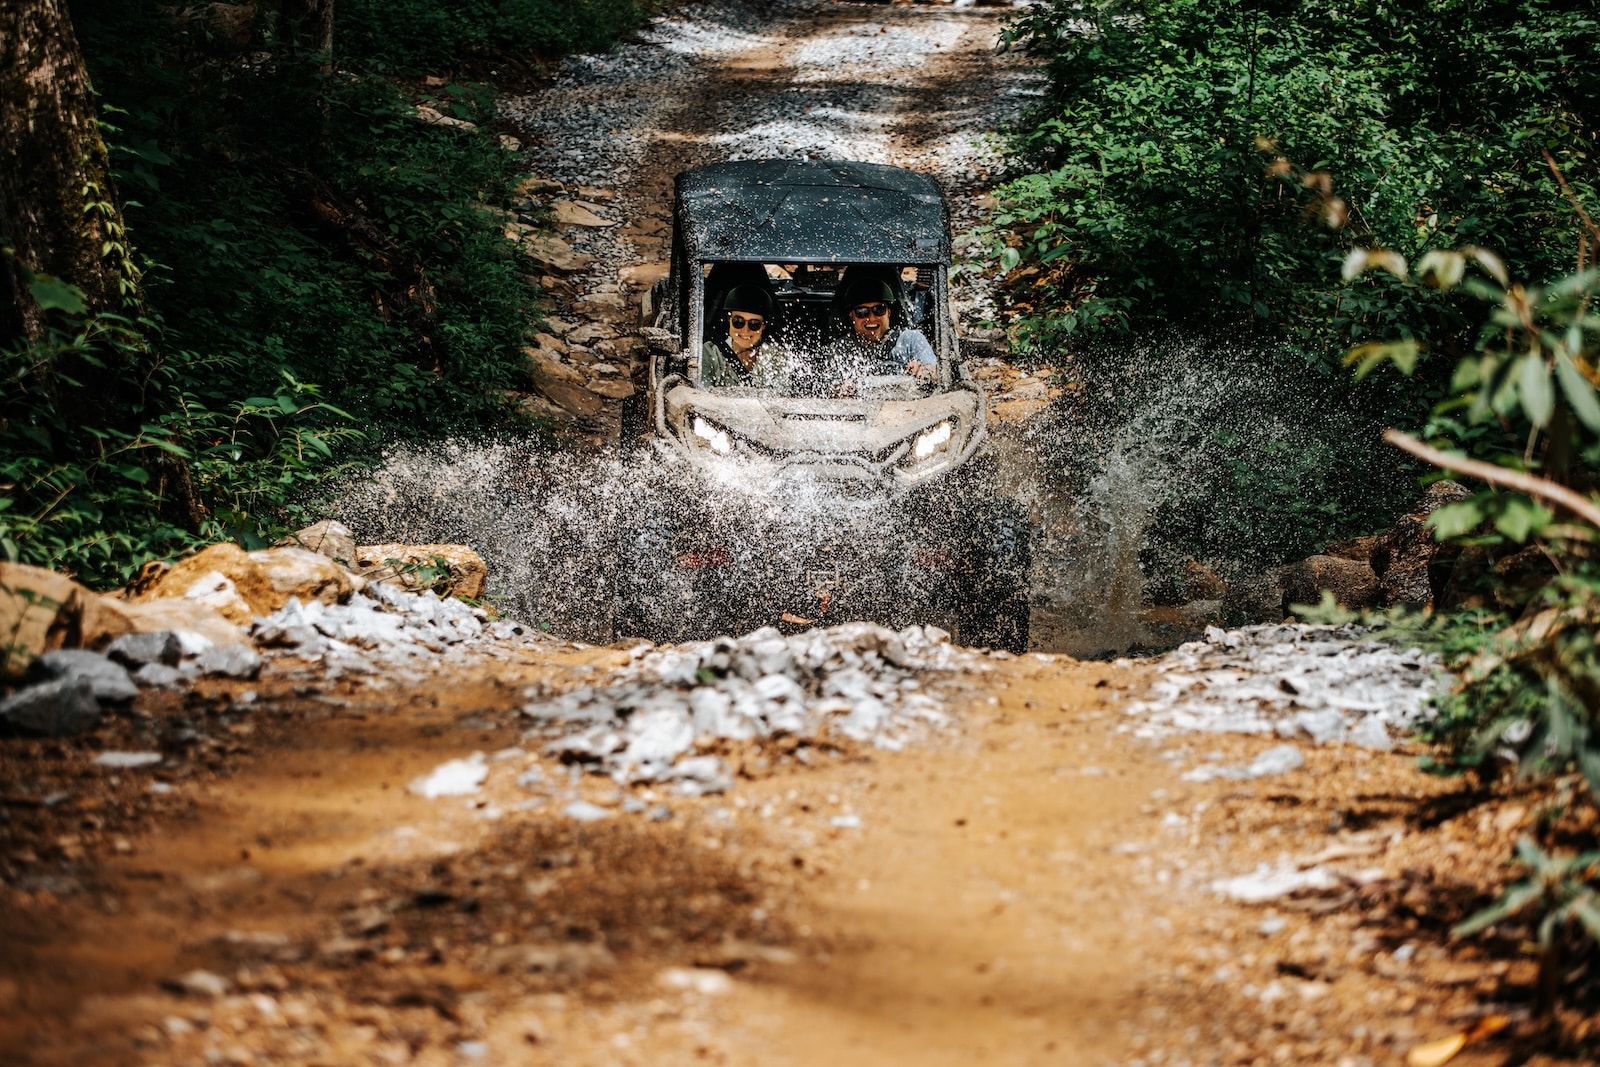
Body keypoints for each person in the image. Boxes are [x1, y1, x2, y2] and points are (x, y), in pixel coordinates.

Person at [824, 273, 938, 387]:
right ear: (851, 316)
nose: (871, 318)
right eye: (862, 312)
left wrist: (923, 371)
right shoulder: (843, 349)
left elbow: (933, 372)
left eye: (879, 310)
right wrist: (843, 389)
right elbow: (833, 390)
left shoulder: (911, 340)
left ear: (888, 312)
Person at [699, 284, 791, 389]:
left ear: (763, 326)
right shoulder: (710, 353)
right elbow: (702, 395)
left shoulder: (777, 358)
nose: (745, 330)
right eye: (738, 322)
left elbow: (781, 399)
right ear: (729, 320)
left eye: (754, 324)